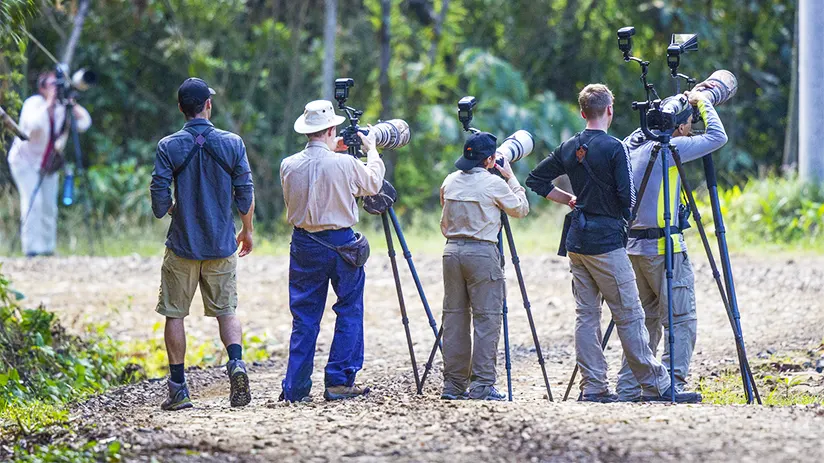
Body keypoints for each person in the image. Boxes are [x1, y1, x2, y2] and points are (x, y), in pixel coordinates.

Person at [526, 83, 700, 403]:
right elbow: (626, 198)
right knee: (630, 314)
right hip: (606, 242)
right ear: (609, 110)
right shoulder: (615, 147)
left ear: (582, 113)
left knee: (587, 315)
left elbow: (535, 180)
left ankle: (593, 386)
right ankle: (657, 383)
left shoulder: (568, 146)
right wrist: (623, 220)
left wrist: (570, 200)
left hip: (576, 241)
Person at [615, 83, 728, 402]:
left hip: (632, 249)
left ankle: (629, 387)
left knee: (643, 322)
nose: (691, 128)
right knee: (681, 318)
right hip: (665, 249)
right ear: (679, 127)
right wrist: (703, 101)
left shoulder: (632, 143)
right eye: (689, 123)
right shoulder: (671, 148)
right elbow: (718, 137)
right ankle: (671, 384)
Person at [150, 77, 255, 411]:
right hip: (222, 245)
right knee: (227, 311)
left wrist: (173, 209)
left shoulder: (169, 146)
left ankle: (179, 389)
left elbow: (158, 198)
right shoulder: (233, 143)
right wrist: (246, 230)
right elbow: (245, 193)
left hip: (182, 245)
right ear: (208, 105)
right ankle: (236, 364)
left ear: (181, 108)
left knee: (175, 314)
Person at [279, 100, 384, 402]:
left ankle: (296, 388)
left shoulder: (288, 165)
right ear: (331, 130)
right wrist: (371, 150)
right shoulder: (346, 164)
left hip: (303, 244)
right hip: (341, 245)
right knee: (349, 309)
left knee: (304, 317)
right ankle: (339, 379)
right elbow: (373, 183)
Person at [438, 132, 529, 401]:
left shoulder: (450, 180)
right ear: (490, 160)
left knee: (454, 319)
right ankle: (482, 385)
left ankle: (453, 385)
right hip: (482, 254)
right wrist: (511, 177)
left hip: (451, 252)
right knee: (487, 319)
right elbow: (521, 210)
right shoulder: (493, 184)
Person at [7, 71, 91, 257]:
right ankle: (31, 249)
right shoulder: (33, 104)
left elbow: (85, 123)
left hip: (49, 163)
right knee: (33, 203)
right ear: (42, 88)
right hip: (24, 161)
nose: (56, 89)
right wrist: (49, 104)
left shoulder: (63, 108)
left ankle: (47, 248)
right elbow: (31, 126)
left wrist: (72, 104)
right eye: (52, 85)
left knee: (49, 205)